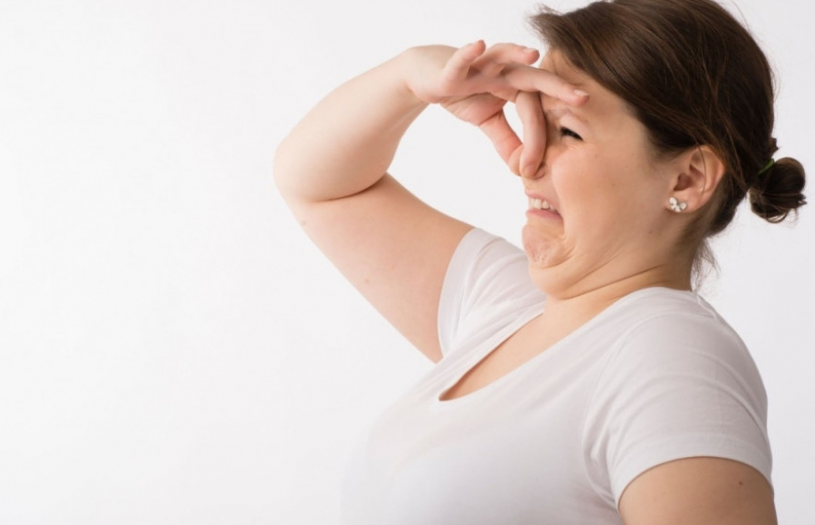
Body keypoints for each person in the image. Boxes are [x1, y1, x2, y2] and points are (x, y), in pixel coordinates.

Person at [273, 0, 805, 522]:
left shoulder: (672, 359)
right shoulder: (505, 306)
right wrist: (412, 75)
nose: (525, 160)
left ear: (688, 178)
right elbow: (319, 185)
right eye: (534, 121)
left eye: (567, 131)